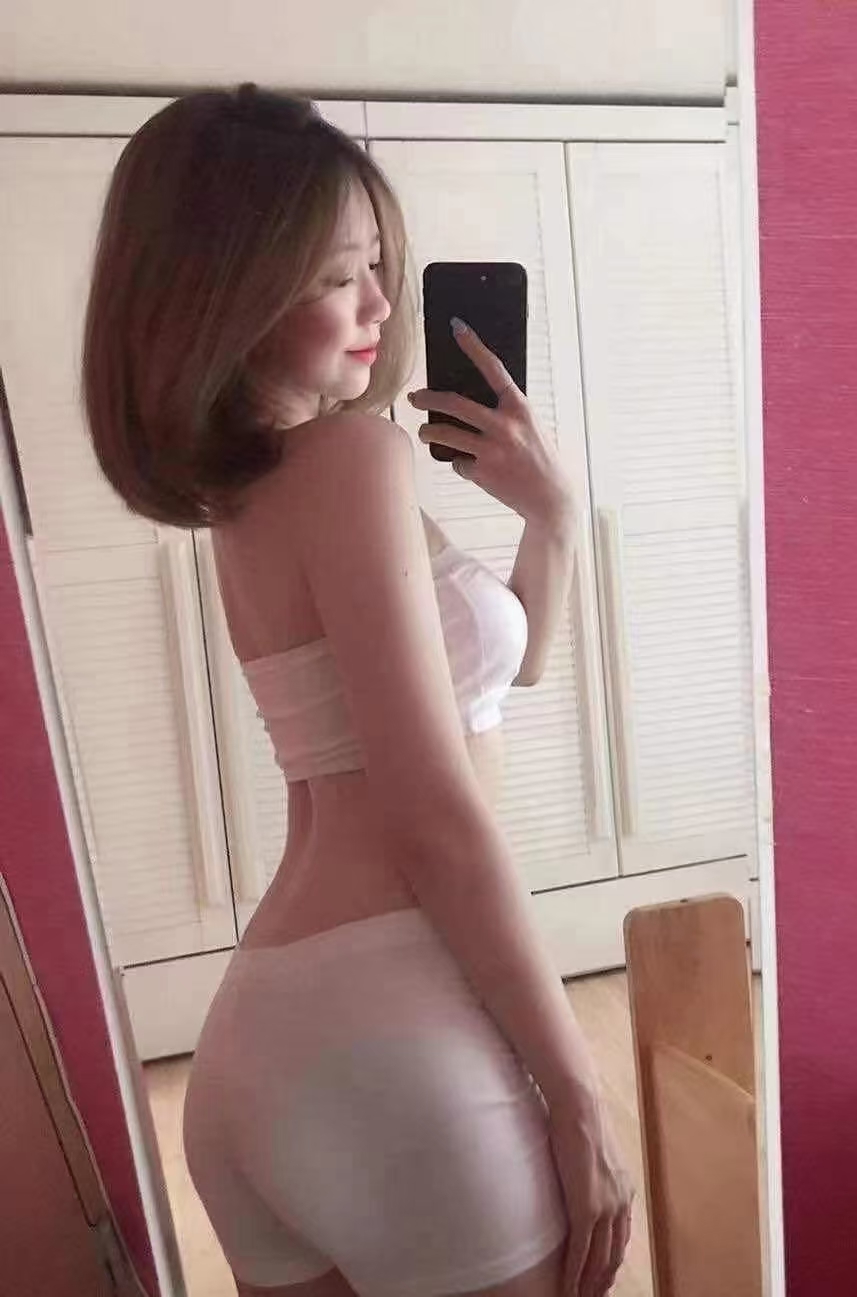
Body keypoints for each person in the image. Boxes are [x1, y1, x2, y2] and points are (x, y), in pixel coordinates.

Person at [82, 84, 634, 1297]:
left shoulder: (251, 495)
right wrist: (580, 1092)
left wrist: (549, 518)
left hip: (264, 1038)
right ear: (224, 295)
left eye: (379, 262)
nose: (383, 302)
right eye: (341, 276)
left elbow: (504, 679)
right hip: (394, 1029)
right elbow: (434, 816)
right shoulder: (351, 458)